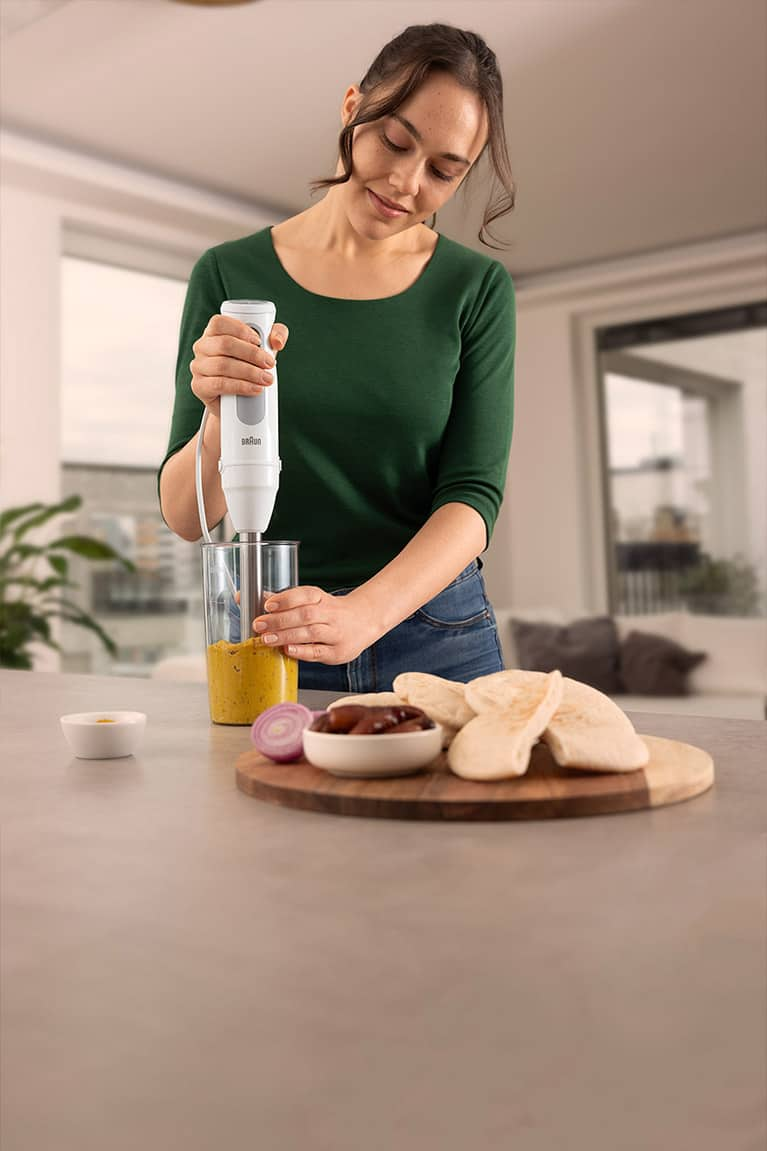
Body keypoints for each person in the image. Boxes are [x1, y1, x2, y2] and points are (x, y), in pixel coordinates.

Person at [159, 22, 517, 693]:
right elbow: (185, 516)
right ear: (353, 106)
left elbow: (473, 496)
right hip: (274, 631)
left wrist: (364, 615)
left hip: (438, 638)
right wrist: (216, 414)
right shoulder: (229, 274)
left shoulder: (474, 290)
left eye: (443, 171)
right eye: (395, 140)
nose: (406, 183)